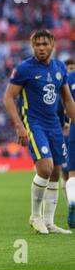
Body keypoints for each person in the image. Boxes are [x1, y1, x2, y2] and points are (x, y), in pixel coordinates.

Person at [4, 29, 75, 235]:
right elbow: (9, 98)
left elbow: (67, 99)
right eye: (37, 45)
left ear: (53, 44)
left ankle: (49, 222)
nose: (41, 48)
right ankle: (35, 216)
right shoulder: (24, 69)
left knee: (54, 172)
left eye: (45, 44)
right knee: (45, 168)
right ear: (32, 46)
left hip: (54, 125)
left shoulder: (60, 68)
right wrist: (19, 125)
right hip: (34, 124)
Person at [59, 59, 75, 203]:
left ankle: (71, 201)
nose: (69, 70)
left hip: (71, 131)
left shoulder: (69, 83)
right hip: (65, 132)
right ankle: (69, 200)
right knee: (65, 172)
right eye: (67, 68)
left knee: (71, 172)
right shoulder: (64, 83)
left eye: (72, 67)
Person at [64, 68, 75, 227]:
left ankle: (72, 201)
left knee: (72, 173)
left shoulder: (70, 78)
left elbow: (64, 103)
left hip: (73, 126)